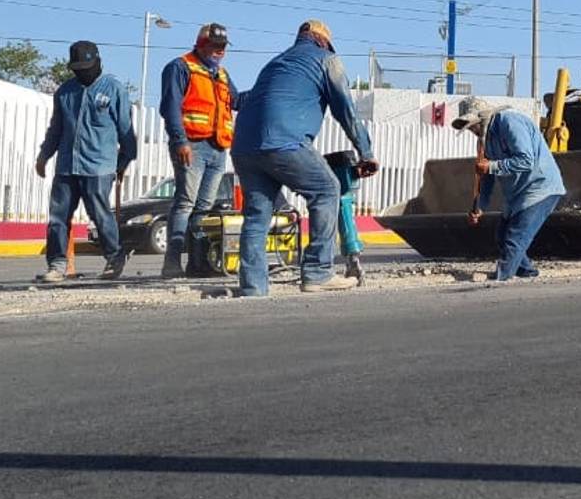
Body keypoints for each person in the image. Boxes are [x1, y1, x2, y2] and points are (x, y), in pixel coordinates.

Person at [230, 20, 378, 296]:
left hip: (243, 148)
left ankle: (253, 287)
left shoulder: (276, 64)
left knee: (257, 215)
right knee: (327, 189)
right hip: (285, 142)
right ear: (323, 42)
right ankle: (317, 272)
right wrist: (366, 152)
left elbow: (249, 100)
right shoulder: (327, 60)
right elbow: (345, 109)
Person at [35, 40, 137, 282]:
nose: (83, 72)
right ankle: (57, 264)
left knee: (100, 215)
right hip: (67, 165)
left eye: (87, 66)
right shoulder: (65, 92)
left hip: (99, 166)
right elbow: (56, 129)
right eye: (78, 68)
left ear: (98, 62)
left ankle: (114, 256)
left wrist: (123, 162)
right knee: (58, 218)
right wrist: (44, 155)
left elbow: (126, 131)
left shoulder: (114, 90)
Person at [158, 22, 245, 278]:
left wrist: (265, 91)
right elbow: (170, 108)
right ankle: (172, 263)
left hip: (218, 148)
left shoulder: (222, 75)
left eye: (223, 47)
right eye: (215, 46)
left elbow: (237, 101)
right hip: (191, 145)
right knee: (185, 203)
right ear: (201, 44)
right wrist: (179, 141)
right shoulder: (181, 67)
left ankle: (198, 263)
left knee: (204, 207)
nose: (220, 51)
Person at [455, 97, 566, 282]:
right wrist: (479, 207)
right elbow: (487, 178)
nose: (473, 131)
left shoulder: (510, 123)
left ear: (484, 119)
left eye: (474, 125)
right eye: (470, 127)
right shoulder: (483, 142)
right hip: (517, 193)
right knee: (501, 234)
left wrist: (490, 166)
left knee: (515, 235)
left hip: (540, 186)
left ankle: (502, 275)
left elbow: (526, 161)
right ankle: (526, 271)